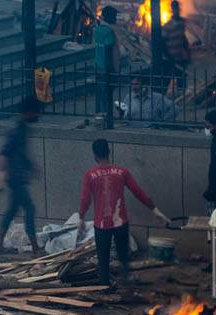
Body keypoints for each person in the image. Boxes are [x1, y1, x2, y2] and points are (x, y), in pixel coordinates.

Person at [78, 138, 169, 290]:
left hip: (101, 224)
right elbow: (138, 192)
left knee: (103, 258)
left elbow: (85, 199)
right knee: (123, 256)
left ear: (94, 155)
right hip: (120, 221)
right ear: (109, 151)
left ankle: (104, 288)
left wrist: (81, 217)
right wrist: (155, 210)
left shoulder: (90, 175)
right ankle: (126, 285)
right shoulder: (121, 172)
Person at [0, 96, 41, 257]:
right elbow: (4, 154)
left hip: (18, 177)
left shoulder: (22, 129)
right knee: (29, 207)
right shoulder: (17, 132)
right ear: (27, 112)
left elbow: (20, 154)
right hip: (15, 178)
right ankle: (35, 248)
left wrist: (31, 166)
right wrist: (0, 176)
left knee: (12, 210)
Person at [95, 7, 121, 113]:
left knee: (101, 94)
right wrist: (114, 70)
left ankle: (100, 116)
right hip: (107, 68)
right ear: (109, 17)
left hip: (99, 66)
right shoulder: (109, 31)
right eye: (114, 16)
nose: (116, 18)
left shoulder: (98, 29)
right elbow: (109, 52)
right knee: (107, 94)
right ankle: (106, 117)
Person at [162, 0, 191, 74]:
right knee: (168, 79)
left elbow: (183, 38)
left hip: (181, 58)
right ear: (172, 10)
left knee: (181, 80)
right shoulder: (167, 26)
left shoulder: (181, 23)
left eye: (177, 8)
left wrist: (188, 53)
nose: (177, 10)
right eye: (175, 8)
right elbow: (163, 43)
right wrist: (169, 57)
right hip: (172, 58)